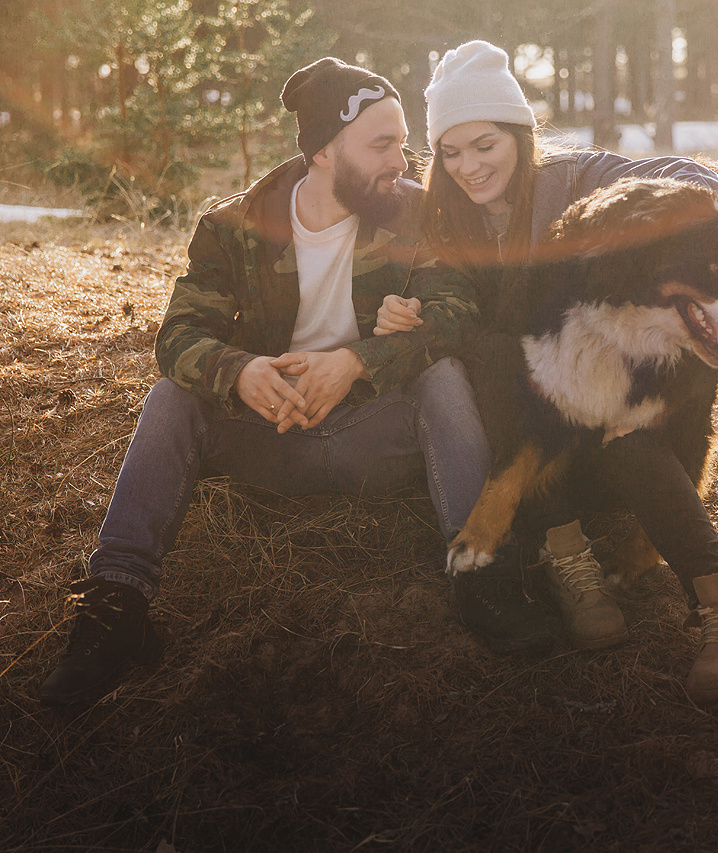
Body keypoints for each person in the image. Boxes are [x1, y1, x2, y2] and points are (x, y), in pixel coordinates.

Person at [39, 56, 556, 708]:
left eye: (402, 140)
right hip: (273, 434)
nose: (402, 158)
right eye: (381, 144)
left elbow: (455, 313)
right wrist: (242, 370)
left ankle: (485, 578)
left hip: (377, 430)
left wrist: (361, 359)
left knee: (445, 376)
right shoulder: (234, 227)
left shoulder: (415, 212)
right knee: (173, 397)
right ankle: (115, 610)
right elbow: (175, 340)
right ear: (321, 151)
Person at [377, 40, 718, 702]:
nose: (469, 167)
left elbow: (682, 172)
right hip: (534, 446)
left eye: (486, 146)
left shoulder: (576, 179)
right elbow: (445, 303)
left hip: (617, 421)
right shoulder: (445, 218)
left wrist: (672, 216)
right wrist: (404, 307)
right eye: (451, 151)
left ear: (520, 137)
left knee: (626, 431)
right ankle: (569, 560)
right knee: (499, 350)